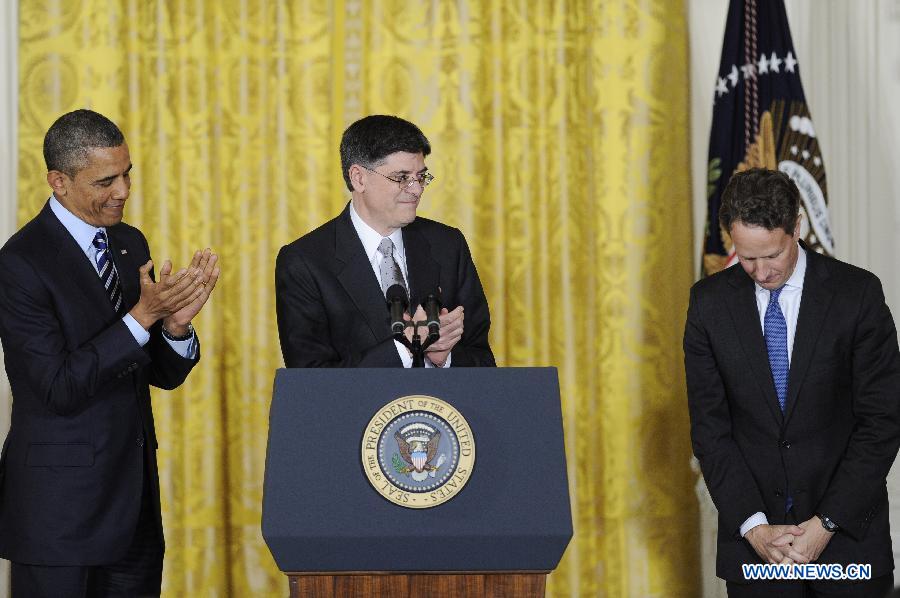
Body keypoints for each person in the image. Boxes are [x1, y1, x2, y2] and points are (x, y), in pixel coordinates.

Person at [0, 109, 220, 597]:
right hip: (58, 515)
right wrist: (142, 317)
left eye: (127, 174)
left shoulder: (127, 242)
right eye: (106, 180)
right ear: (59, 181)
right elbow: (56, 387)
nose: (122, 191)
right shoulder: (20, 263)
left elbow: (153, 373)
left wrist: (176, 327)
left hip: (134, 507)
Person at [685, 168, 900, 596]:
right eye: (747, 258)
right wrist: (754, 527)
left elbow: (882, 421)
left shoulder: (856, 295)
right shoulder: (708, 305)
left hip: (847, 547)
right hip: (757, 550)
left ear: (796, 228)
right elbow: (711, 430)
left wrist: (825, 524)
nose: (761, 271)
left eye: (772, 255)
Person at [276, 114, 495, 368]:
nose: (416, 189)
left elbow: (483, 361)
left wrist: (444, 358)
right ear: (358, 178)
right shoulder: (305, 262)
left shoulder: (447, 245)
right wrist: (408, 349)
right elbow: (310, 380)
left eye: (421, 176)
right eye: (402, 178)